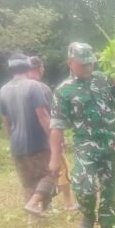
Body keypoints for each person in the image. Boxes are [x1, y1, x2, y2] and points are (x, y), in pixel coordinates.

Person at [48, 42, 115, 228]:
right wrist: (55, 157)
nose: (88, 68)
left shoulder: (103, 79)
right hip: (86, 146)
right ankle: (88, 216)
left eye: (90, 63)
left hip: (112, 144)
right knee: (84, 186)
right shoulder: (63, 91)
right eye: (83, 64)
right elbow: (57, 127)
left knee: (110, 190)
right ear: (70, 63)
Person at [0, 54, 55, 218]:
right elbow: (43, 115)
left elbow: (6, 120)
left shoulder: (3, 89)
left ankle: (34, 219)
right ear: (27, 67)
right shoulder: (34, 86)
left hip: (17, 144)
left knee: (28, 182)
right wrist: (54, 139)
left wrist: (12, 138)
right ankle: (33, 204)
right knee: (51, 173)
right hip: (37, 142)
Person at [28, 56, 77, 211]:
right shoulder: (41, 89)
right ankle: (68, 203)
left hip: (25, 142)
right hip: (45, 139)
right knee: (62, 169)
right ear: (39, 68)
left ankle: (43, 207)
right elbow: (49, 117)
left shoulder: (15, 88)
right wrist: (57, 139)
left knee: (35, 176)